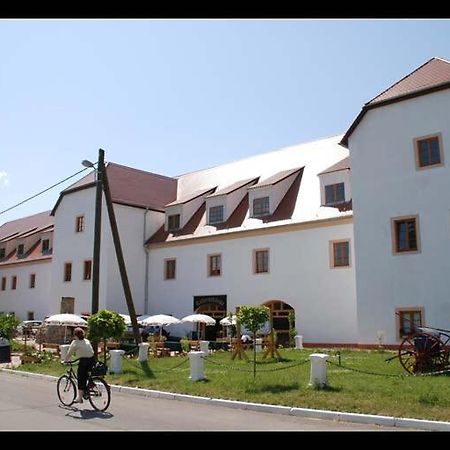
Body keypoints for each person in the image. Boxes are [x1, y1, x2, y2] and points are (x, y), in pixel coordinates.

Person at [65, 327, 95, 403]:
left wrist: (65, 361)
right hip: (92, 360)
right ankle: (90, 385)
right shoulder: (87, 341)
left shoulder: (75, 342)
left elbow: (69, 353)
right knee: (87, 375)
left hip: (84, 361)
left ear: (75, 335)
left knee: (81, 379)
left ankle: (79, 398)